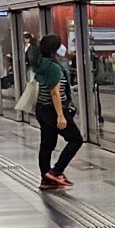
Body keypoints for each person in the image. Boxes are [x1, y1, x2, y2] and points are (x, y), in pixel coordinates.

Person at [31, 33, 82, 188]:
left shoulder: (41, 63)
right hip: (52, 109)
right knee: (76, 139)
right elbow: (55, 92)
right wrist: (60, 115)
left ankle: (46, 179)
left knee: (47, 144)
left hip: (42, 108)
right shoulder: (53, 67)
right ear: (55, 49)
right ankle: (56, 172)